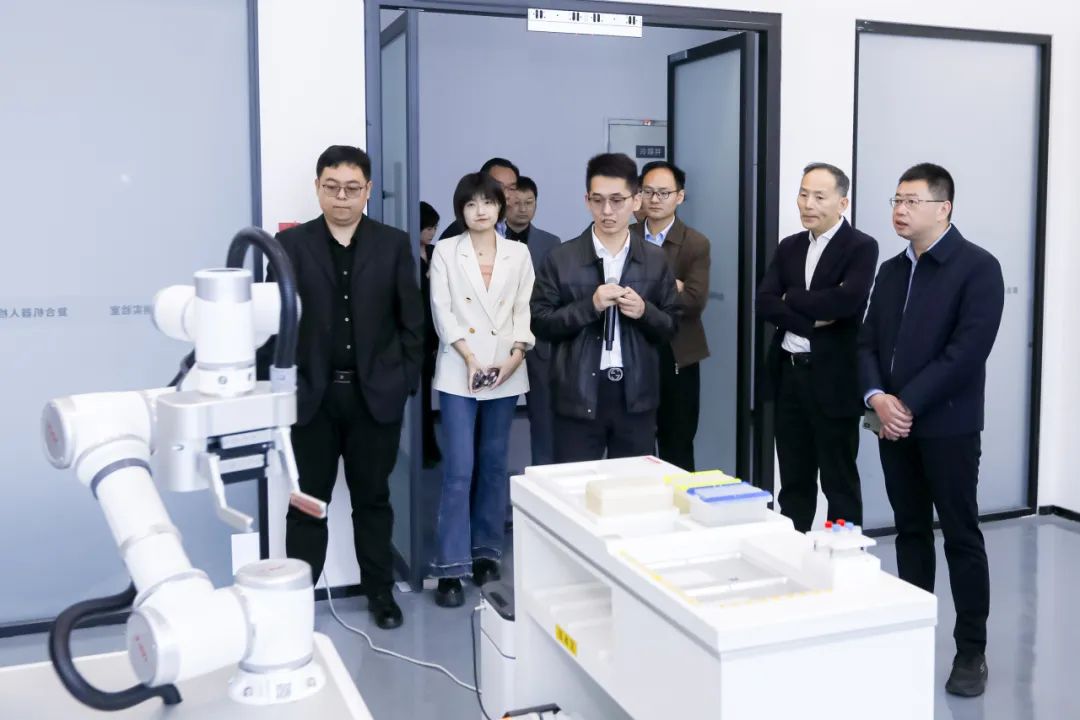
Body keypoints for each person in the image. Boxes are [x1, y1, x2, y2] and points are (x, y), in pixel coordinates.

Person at [260, 145, 424, 630]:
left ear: (368, 190)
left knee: (372, 501)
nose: (342, 198)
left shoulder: (393, 244)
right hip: (311, 399)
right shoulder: (289, 246)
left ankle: (380, 593)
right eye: (331, 188)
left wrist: (403, 380)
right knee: (307, 505)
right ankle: (296, 603)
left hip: (375, 398)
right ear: (317, 187)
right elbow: (271, 325)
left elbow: (413, 323)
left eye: (352, 189)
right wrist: (279, 390)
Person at [859, 163, 1003, 697]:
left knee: (961, 535)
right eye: (896, 200)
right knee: (911, 532)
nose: (899, 210)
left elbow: (967, 352)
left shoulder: (978, 267)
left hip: (948, 427)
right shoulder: (891, 271)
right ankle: (913, 635)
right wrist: (877, 397)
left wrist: (905, 403)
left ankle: (971, 652)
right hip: (893, 425)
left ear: (944, 208)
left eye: (911, 201)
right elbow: (867, 342)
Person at [428, 172, 535, 608]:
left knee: (493, 464)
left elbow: (524, 309)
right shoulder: (445, 251)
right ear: (461, 211)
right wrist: (471, 358)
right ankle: (451, 566)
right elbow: (442, 310)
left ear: (500, 207)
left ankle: (486, 552)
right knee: (459, 468)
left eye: (488, 203)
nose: (480, 211)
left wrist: (515, 356)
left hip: (505, 368)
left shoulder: (518, 253)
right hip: (460, 367)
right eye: (471, 204)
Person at [531, 153, 679, 462]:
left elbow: (671, 327)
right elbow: (540, 324)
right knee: (574, 485)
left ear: (636, 201)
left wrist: (645, 312)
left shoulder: (655, 259)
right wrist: (590, 306)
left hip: (636, 394)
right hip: (577, 392)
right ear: (587, 201)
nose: (607, 210)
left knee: (632, 486)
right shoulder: (561, 258)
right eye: (597, 200)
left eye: (617, 200)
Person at [756, 163, 879, 532]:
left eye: (819, 197)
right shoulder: (790, 246)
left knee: (839, 482)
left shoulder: (860, 247)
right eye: (803, 194)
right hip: (789, 373)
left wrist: (792, 297)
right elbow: (765, 302)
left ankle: (842, 557)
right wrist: (811, 321)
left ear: (842, 203)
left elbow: (845, 304)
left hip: (834, 379)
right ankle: (793, 553)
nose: (807, 204)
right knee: (793, 480)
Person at [631, 160, 710, 471]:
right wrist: (670, 285)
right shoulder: (626, 234)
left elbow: (693, 301)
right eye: (648, 191)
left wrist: (642, 291)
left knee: (677, 443)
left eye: (664, 193)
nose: (655, 199)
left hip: (677, 352)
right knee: (634, 444)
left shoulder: (695, 242)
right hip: (633, 347)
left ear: (680, 196)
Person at [503, 176, 562, 466]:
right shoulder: (491, 239)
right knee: (496, 421)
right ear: (504, 204)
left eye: (529, 202)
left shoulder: (551, 243)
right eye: (516, 203)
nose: (523, 209)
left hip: (539, 341)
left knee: (544, 418)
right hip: (500, 340)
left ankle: (544, 475)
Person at [439, 158, 519, 240]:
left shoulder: (508, 229)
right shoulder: (458, 232)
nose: (506, 195)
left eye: (512, 188)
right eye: (498, 187)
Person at [419, 201, 442, 467]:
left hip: (438, 330)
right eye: (428, 228)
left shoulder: (436, 253)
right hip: (419, 331)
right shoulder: (405, 254)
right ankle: (425, 448)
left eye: (434, 227)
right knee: (422, 396)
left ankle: (431, 447)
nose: (432, 233)